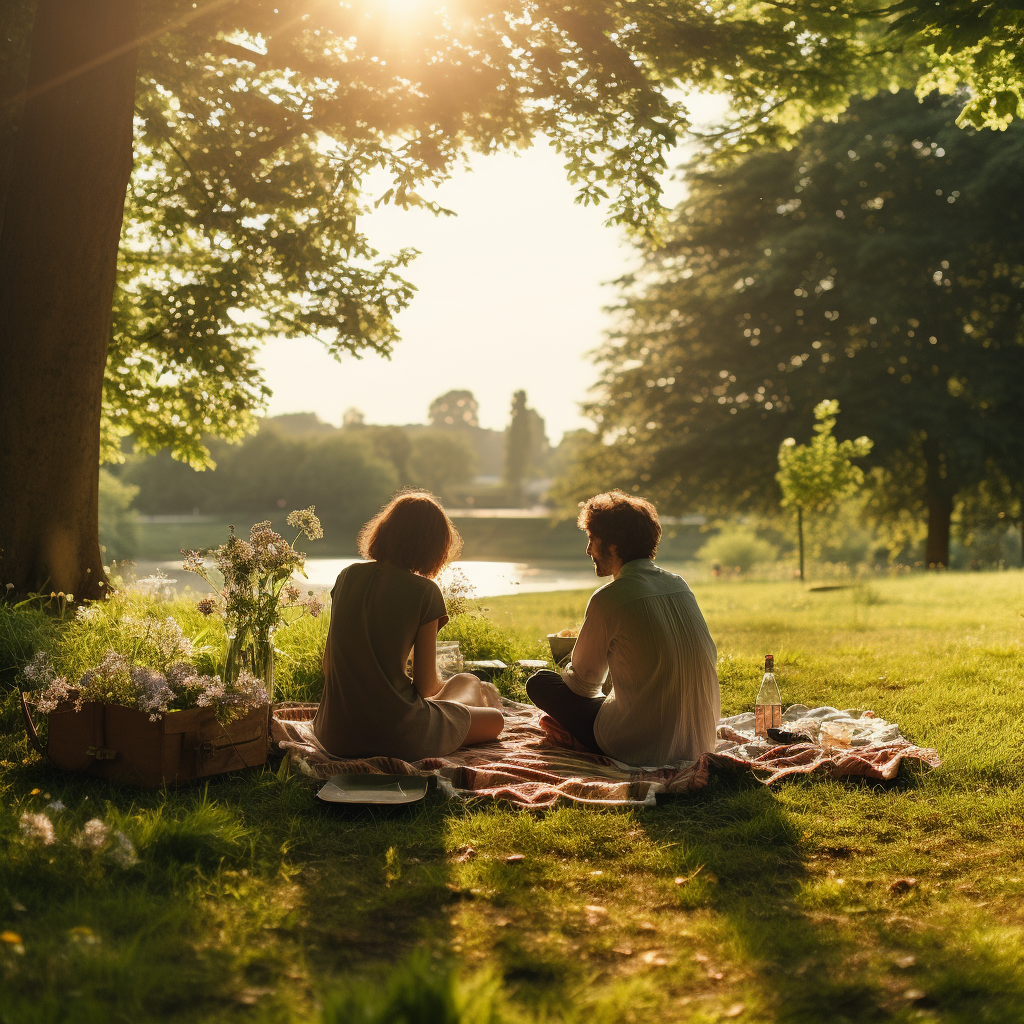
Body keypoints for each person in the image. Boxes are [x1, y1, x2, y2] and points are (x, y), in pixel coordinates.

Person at [526, 491, 720, 765]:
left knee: (541, 682)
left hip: (638, 746)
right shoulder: (679, 584)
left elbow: (583, 687)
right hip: (699, 740)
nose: (588, 550)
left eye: (592, 540)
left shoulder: (609, 598)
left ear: (614, 547)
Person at [313, 491, 504, 761]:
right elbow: (426, 687)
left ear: (385, 530)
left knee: (463, 682)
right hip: (397, 736)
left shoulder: (346, 578)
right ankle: (472, 701)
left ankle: (465, 700)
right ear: (433, 546)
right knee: (491, 714)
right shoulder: (425, 592)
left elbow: (328, 664)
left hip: (334, 735)